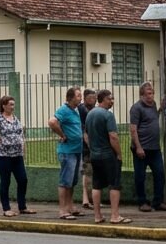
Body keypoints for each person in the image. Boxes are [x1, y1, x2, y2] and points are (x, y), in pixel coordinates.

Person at [0, 95, 34, 217]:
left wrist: (24, 151)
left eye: (13, 104)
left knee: (23, 179)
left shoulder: (15, 118)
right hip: (3, 155)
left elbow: (21, 135)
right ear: (4, 106)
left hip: (17, 154)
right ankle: (6, 208)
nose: (13, 107)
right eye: (11, 104)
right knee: (6, 180)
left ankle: (22, 206)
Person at [85, 89, 130, 224]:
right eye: (110, 98)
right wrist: (119, 154)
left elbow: (86, 135)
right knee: (114, 184)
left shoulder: (90, 114)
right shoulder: (108, 115)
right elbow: (113, 136)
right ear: (103, 99)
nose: (112, 101)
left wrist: (92, 148)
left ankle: (97, 216)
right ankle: (115, 215)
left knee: (97, 185)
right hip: (108, 155)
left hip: (95, 155)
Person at [128, 82, 166, 212]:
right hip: (141, 148)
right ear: (142, 95)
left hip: (154, 148)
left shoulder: (153, 105)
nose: (151, 96)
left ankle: (157, 201)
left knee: (160, 174)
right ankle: (142, 201)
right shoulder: (136, 108)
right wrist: (138, 147)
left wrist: (161, 109)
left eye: (152, 93)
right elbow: (133, 129)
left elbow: (153, 118)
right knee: (140, 176)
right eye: (148, 94)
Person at [48, 87, 86, 219]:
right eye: (78, 96)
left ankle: (70, 206)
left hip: (77, 150)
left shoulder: (75, 111)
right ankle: (62, 210)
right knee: (65, 180)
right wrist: (62, 135)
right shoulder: (63, 110)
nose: (80, 98)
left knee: (73, 181)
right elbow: (52, 122)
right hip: (67, 151)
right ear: (70, 98)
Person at [77, 89, 98, 209]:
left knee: (91, 173)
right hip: (85, 146)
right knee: (87, 171)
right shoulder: (81, 109)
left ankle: (91, 198)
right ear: (85, 98)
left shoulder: (95, 110)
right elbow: (83, 129)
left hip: (94, 145)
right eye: (90, 98)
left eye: (94, 97)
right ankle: (86, 199)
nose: (93, 100)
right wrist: (88, 143)